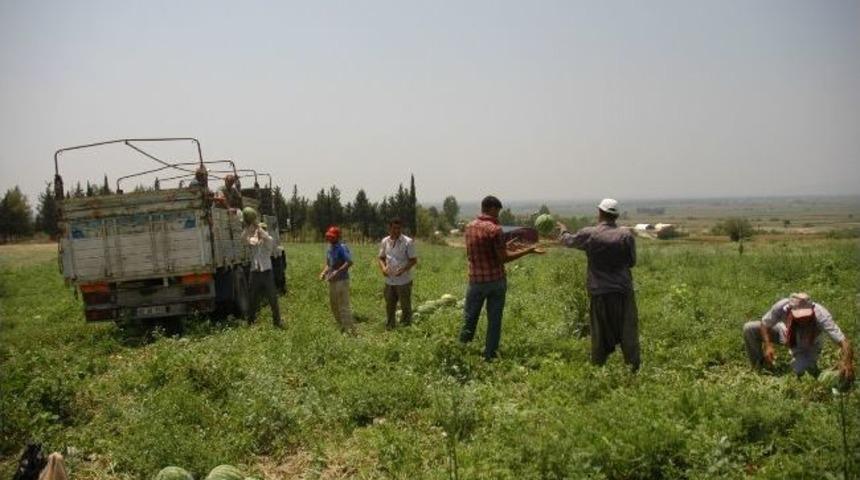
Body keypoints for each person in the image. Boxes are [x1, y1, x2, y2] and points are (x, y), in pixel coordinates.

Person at [557, 198, 640, 372]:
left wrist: (563, 230)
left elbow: (568, 241)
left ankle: (598, 370)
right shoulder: (626, 236)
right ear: (616, 216)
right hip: (623, 291)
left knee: (599, 333)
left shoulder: (590, 234)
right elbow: (632, 262)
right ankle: (632, 369)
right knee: (628, 332)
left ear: (600, 213)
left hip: (599, 291)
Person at [460, 195, 544, 360]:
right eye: (497, 211)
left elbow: (483, 248)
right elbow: (503, 258)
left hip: (476, 281)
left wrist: (506, 246)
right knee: (494, 320)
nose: (497, 215)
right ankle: (490, 355)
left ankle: (461, 351)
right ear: (491, 208)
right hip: (495, 281)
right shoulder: (494, 229)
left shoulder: (469, 227)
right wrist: (528, 250)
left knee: (469, 318)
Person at [743, 293, 854, 382]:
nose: (803, 319)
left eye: (806, 315)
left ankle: (805, 363)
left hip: (808, 345)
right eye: (799, 316)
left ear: (812, 308)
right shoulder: (782, 307)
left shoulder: (821, 314)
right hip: (785, 333)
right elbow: (764, 324)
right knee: (749, 328)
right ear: (790, 309)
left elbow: (844, 342)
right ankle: (759, 366)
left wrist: (847, 362)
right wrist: (768, 345)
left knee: (801, 372)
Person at [242, 207, 283, 328]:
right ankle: (251, 322)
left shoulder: (269, 241)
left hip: (266, 273)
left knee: (272, 298)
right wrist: (248, 227)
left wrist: (259, 228)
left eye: (263, 231)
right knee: (252, 298)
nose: (259, 233)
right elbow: (243, 239)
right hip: (254, 273)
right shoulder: (253, 242)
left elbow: (268, 238)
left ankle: (277, 322)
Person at [378, 218, 418, 330]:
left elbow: (413, 260)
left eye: (399, 228)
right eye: (394, 228)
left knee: (405, 305)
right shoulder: (385, 241)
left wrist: (403, 270)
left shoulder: (408, 242)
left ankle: (406, 327)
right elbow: (381, 258)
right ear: (389, 228)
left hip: (403, 280)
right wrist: (383, 268)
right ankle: (390, 326)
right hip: (389, 280)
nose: (397, 231)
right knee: (390, 305)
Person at [320, 226, 356, 334]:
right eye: (329, 236)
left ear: (338, 237)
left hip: (341, 281)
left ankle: (349, 330)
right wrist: (324, 272)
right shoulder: (329, 248)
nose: (330, 238)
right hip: (332, 280)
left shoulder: (342, 248)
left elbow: (349, 262)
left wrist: (337, 272)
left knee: (343, 305)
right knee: (334, 305)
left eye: (332, 237)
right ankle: (341, 326)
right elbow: (329, 264)